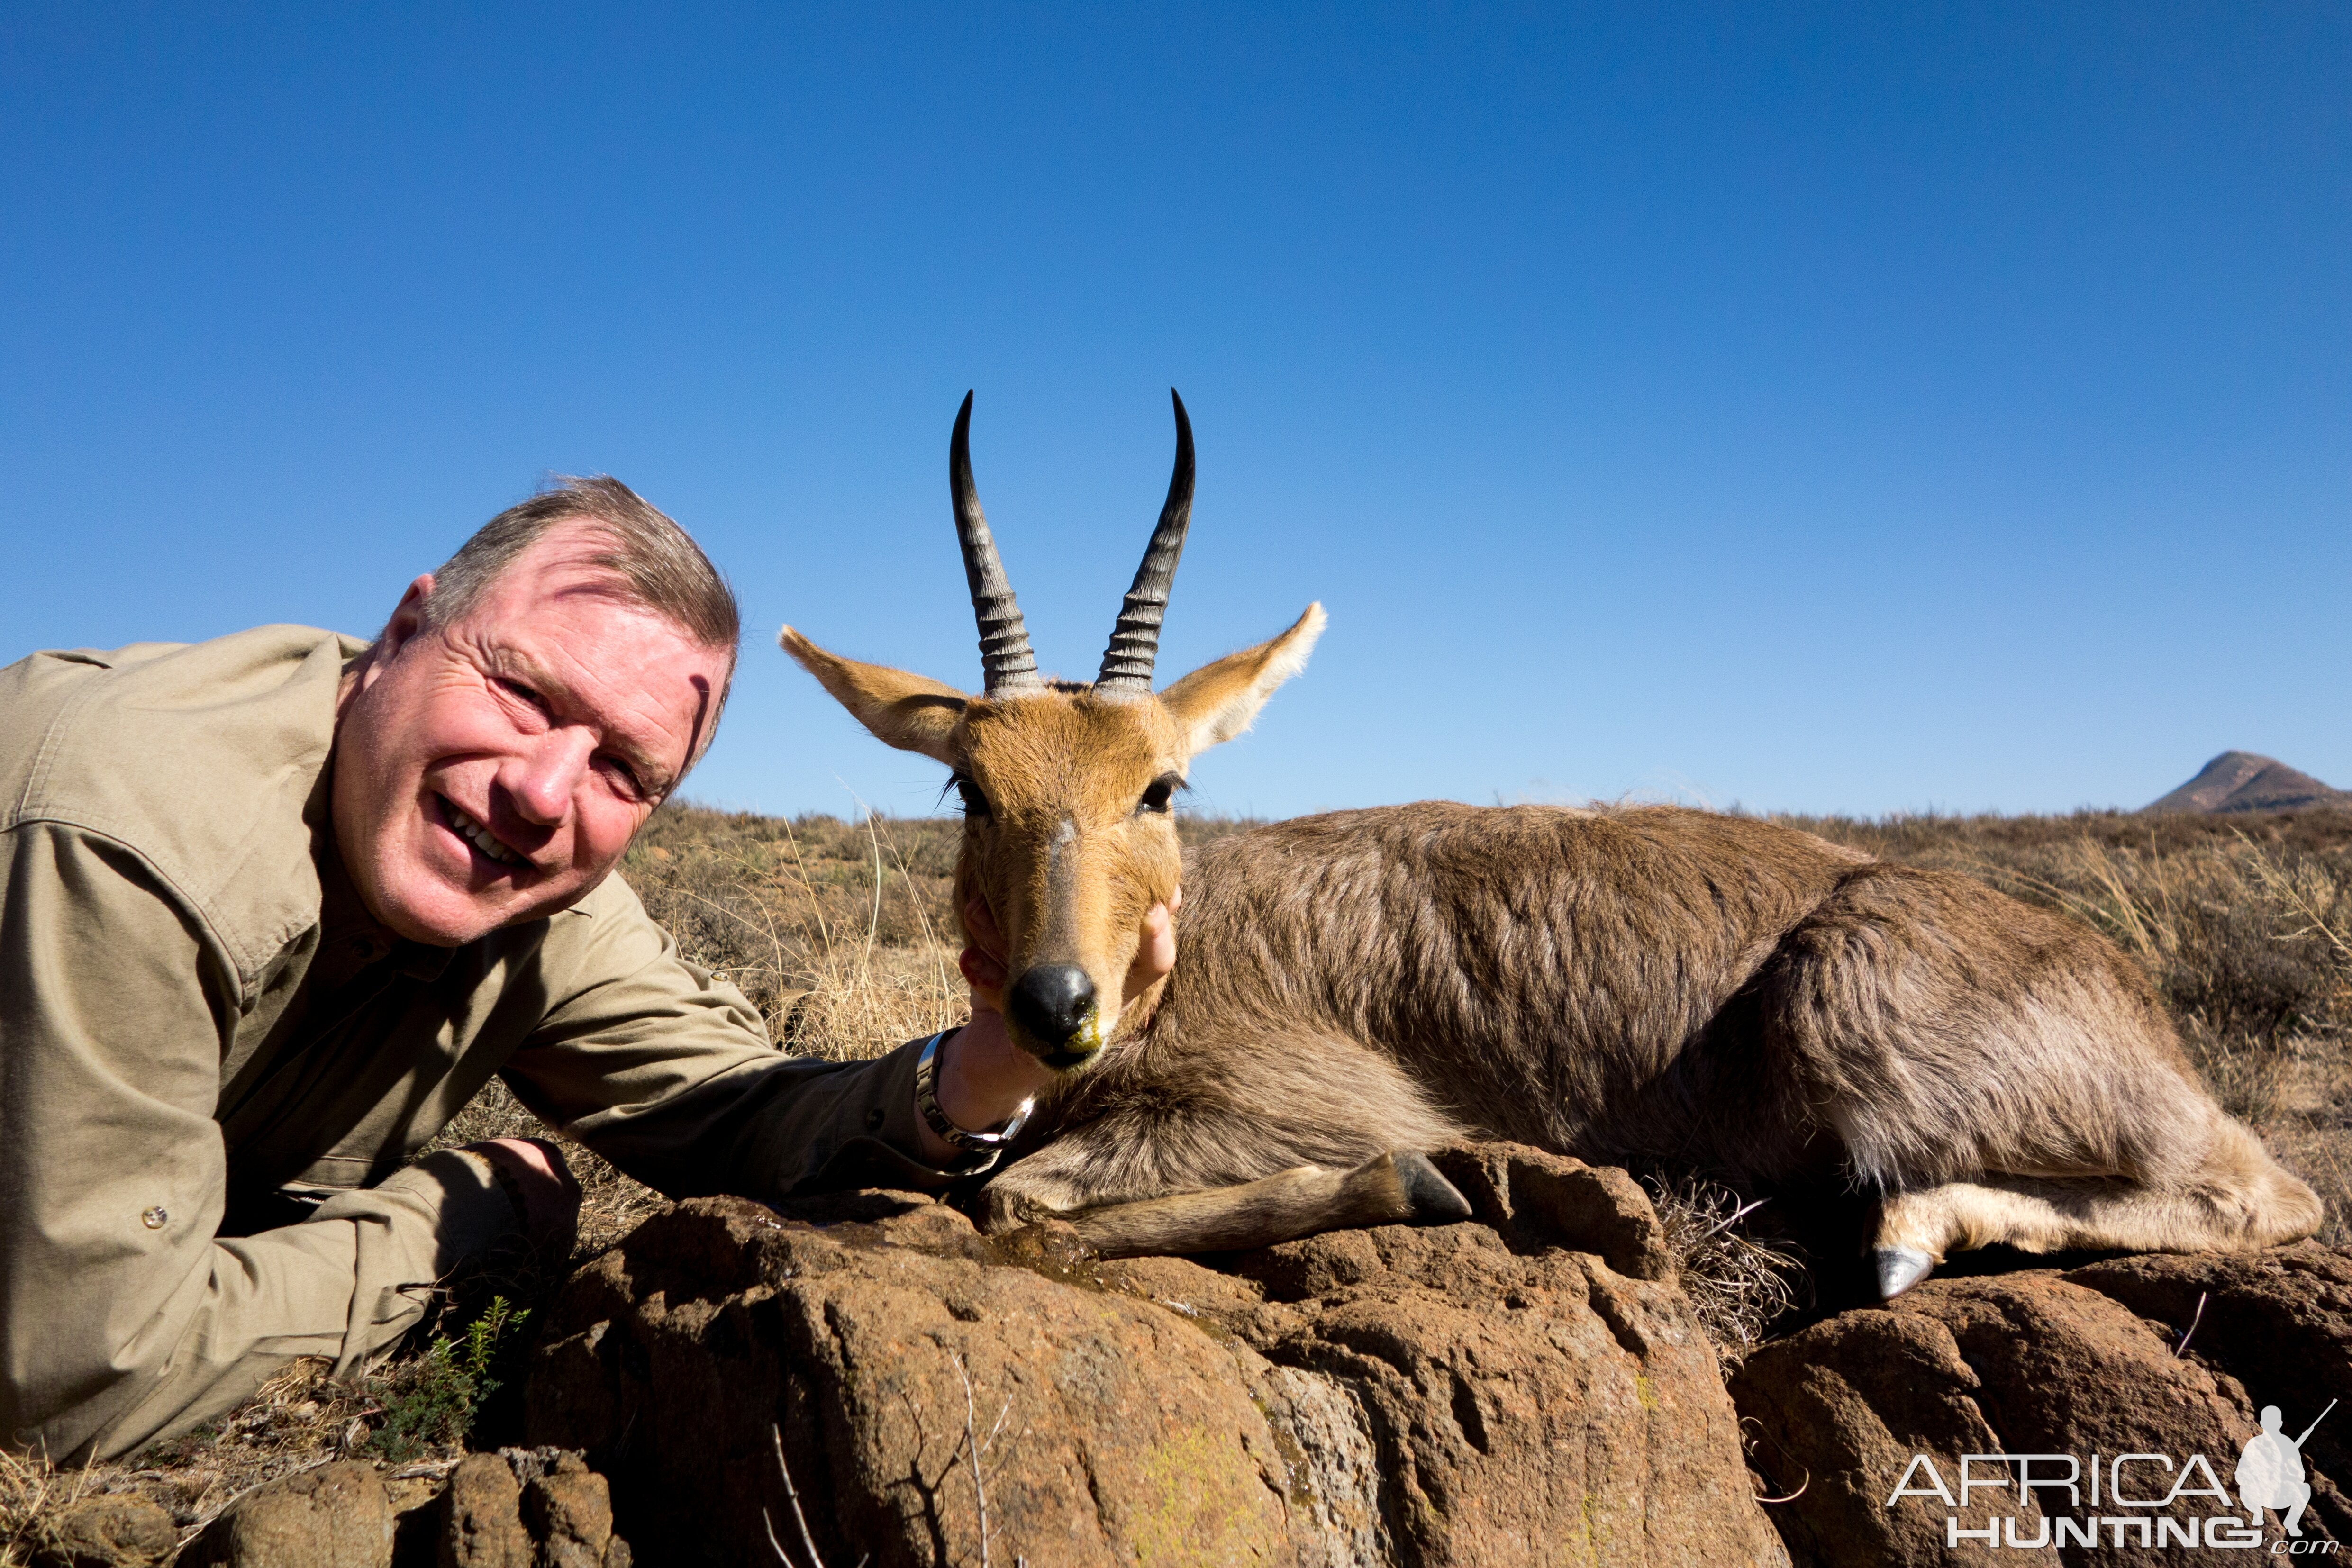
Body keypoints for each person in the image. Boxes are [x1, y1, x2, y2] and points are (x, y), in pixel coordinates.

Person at [0, 477, 1175, 1463]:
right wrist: (467, 1227)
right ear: (404, 628)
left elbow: (739, 1114)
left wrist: (981, 1067)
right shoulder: (136, 838)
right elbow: (75, 1375)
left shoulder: (526, 879)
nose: (544, 788)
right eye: (522, 691)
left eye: (625, 766)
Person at [2238, 1403, 2321, 1537]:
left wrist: (2288, 1473)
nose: (2272, 1425)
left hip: (2279, 1493)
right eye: (2269, 1421)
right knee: (2246, 1488)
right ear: (2263, 1423)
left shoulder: (2287, 1444)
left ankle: (2292, 1522)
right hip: (2258, 1492)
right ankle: (2257, 1514)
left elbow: (2299, 1474)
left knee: (2304, 1489)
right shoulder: (2255, 1443)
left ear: (2280, 1423)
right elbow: (2241, 1472)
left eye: (2275, 1422)